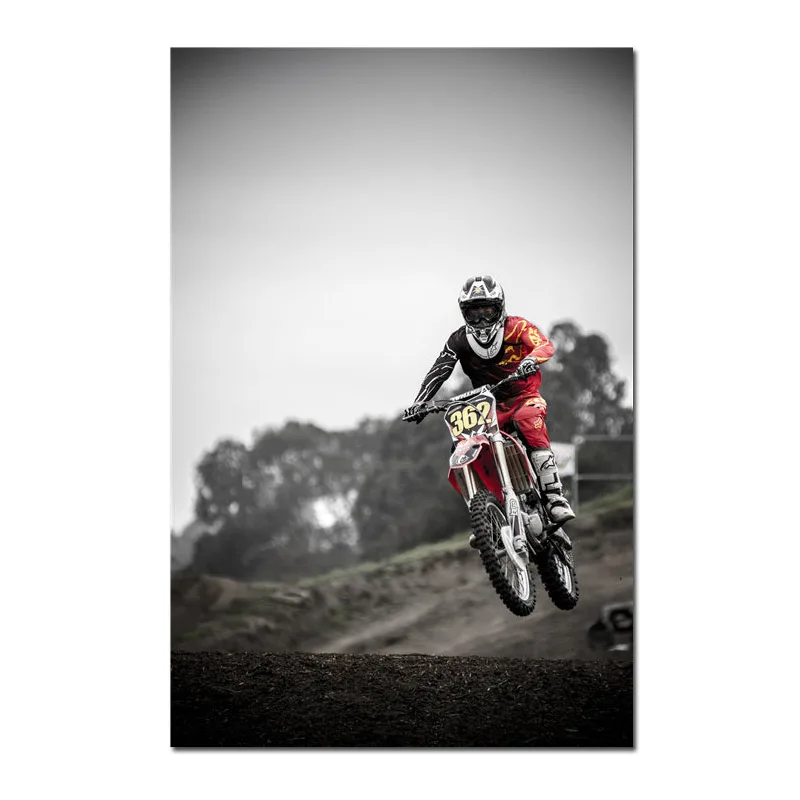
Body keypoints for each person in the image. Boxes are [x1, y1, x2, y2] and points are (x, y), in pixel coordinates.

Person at [403, 274, 576, 527]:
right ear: (464, 313)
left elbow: (545, 345)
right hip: (487, 406)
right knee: (461, 445)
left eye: (487, 311)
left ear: (500, 307)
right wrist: (420, 402)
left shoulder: (517, 327)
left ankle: (554, 497)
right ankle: (484, 516)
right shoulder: (458, 340)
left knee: (527, 419)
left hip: (524, 397)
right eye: (474, 313)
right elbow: (439, 370)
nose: (482, 320)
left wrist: (531, 359)